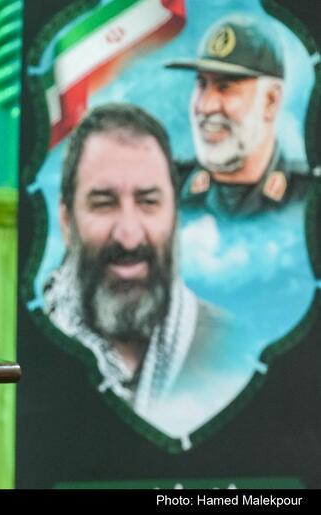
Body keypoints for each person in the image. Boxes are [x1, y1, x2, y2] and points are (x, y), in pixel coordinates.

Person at [43, 103, 250, 439]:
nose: (129, 235)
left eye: (148, 202)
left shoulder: (234, 353)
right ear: (67, 222)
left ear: (175, 216)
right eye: (104, 203)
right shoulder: (33, 349)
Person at [166, 14, 311, 217]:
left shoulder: (309, 197)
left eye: (225, 87)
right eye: (201, 84)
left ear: (270, 101)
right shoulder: (165, 189)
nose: (206, 106)